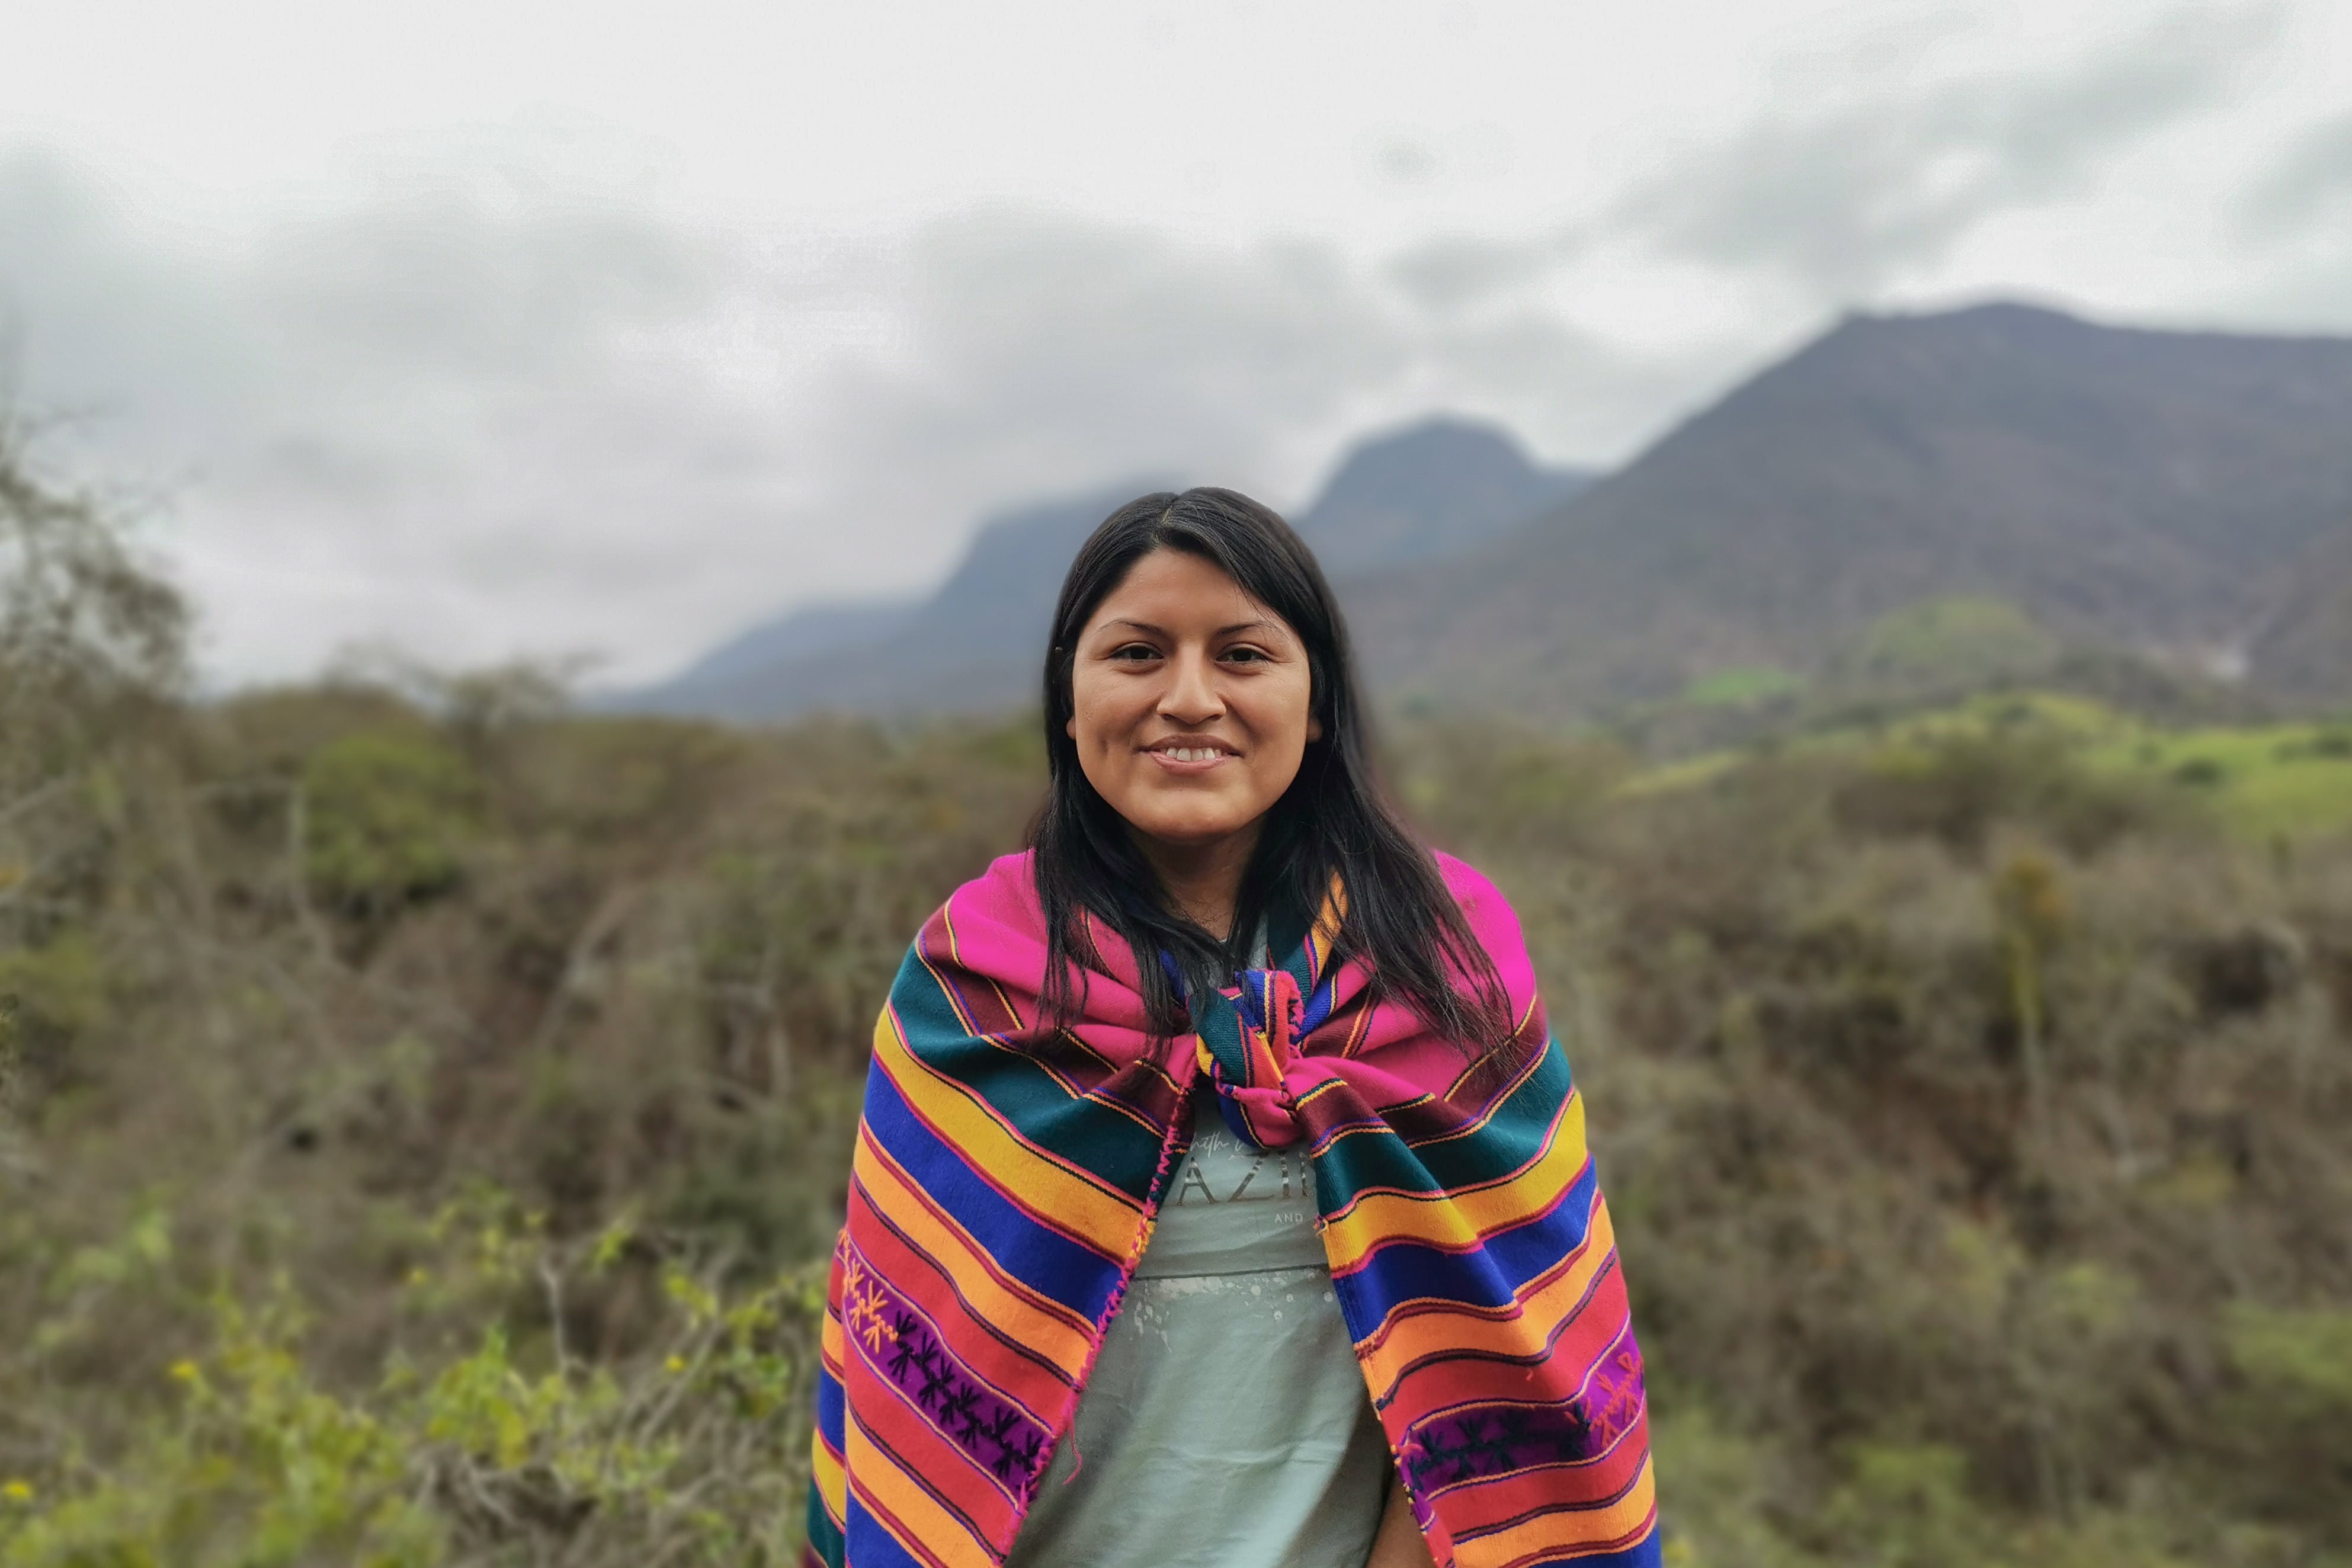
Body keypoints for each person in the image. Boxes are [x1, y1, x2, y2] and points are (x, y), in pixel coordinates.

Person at [802, 489, 1658, 1568]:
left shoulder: (1443, 964)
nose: (1189, 698)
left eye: (1244, 655)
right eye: (1136, 654)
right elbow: (909, 1372)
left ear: (1317, 705)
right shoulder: (973, 981)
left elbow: (1518, 1363)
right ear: (1069, 702)